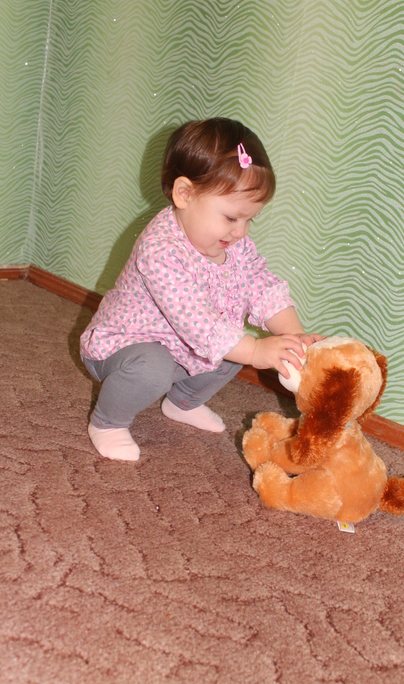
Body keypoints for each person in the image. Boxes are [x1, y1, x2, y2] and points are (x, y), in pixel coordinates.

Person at [80, 117, 323, 461]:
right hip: (123, 348)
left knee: (233, 345)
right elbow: (200, 323)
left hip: (185, 349)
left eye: (249, 219)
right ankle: (108, 422)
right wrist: (256, 351)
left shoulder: (235, 244)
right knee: (160, 365)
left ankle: (183, 402)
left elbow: (262, 286)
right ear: (185, 194)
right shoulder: (159, 249)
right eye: (231, 218)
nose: (240, 232)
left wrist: (294, 337)